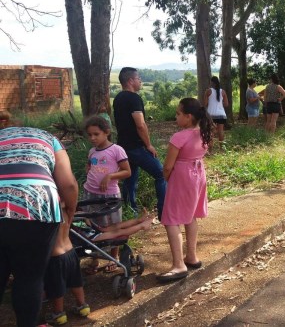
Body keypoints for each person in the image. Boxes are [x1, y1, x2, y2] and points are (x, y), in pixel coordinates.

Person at [0, 111, 79, 327]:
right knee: (29, 277)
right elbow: (69, 184)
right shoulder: (50, 139)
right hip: (34, 205)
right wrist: (70, 212)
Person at [157, 98, 213, 282]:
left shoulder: (179, 137)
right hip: (199, 174)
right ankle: (192, 256)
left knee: (171, 219)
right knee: (190, 215)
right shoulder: (204, 132)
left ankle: (178, 264)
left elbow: (167, 167)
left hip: (182, 176)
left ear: (188, 117)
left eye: (178, 113)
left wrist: (166, 180)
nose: (176, 117)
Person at [113, 67, 166, 220]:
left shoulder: (118, 99)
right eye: (139, 78)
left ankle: (131, 212)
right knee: (161, 174)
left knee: (130, 180)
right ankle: (164, 210)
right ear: (130, 81)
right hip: (136, 147)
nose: (140, 81)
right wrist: (148, 145)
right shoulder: (134, 98)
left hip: (123, 147)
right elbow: (140, 124)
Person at [81, 116, 131, 274]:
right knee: (93, 224)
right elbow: (89, 165)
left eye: (96, 134)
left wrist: (109, 176)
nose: (92, 138)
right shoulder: (92, 151)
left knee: (112, 225)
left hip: (109, 196)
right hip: (90, 193)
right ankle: (95, 257)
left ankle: (113, 258)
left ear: (107, 132)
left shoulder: (116, 150)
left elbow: (127, 171)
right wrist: (88, 171)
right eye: (89, 135)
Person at [43, 220, 89, 326]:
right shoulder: (65, 211)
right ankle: (83, 307)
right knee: (75, 280)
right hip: (70, 251)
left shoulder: (45, 214)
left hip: (55, 256)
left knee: (56, 285)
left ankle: (58, 314)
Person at [204, 76, 229, 146]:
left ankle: (210, 149)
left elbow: (205, 104)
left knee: (211, 132)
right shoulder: (223, 91)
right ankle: (222, 148)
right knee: (221, 131)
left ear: (211, 82)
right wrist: (219, 105)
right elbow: (226, 104)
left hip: (211, 115)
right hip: (222, 114)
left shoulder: (208, 91)